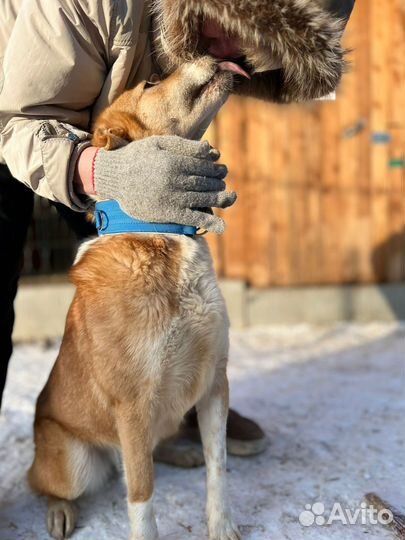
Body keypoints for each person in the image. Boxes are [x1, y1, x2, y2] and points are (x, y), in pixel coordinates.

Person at [0, 0, 355, 464]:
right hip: (14, 107)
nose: (232, 49)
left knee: (151, 268)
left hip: (103, 126)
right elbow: (18, 122)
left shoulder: (215, 43)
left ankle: (170, 406)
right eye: (233, 23)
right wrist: (108, 175)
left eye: (256, 44)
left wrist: (151, 179)